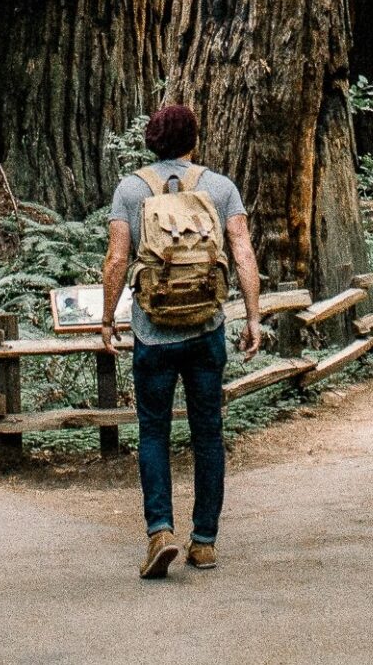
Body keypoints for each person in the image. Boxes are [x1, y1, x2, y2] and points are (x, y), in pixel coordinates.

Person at [99, 102, 263, 579]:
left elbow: (116, 258)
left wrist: (108, 319)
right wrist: (253, 316)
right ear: (194, 139)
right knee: (208, 433)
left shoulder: (132, 189)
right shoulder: (219, 186)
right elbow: (243, 250)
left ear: (151, 140)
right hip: (207, 330)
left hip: (153, 333)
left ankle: (160, 532)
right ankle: (205, 542)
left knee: (153, 432)